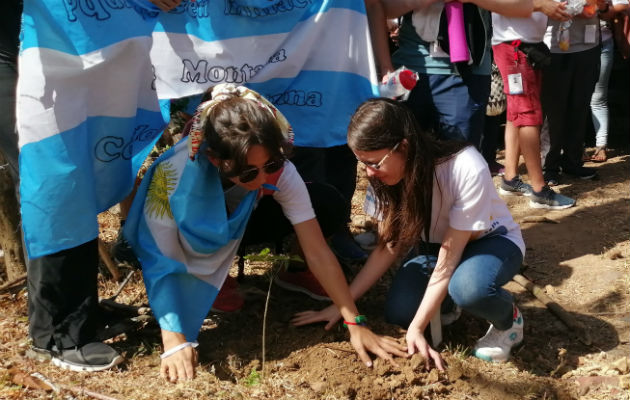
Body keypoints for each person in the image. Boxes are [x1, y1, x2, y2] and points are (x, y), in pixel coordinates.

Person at [124, 84, 407, 383]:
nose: (262, 178)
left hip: (236, 228)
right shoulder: (173, 174)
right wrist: (174, 340)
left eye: (270, 164)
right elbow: (160, 259)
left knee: (325, 200)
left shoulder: (278, 170)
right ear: (215, 159)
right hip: (174, 239)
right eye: (248, 172)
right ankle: (209, 280)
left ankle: (277, 275)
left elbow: (317, 250)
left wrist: (354, 321)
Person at [294, 98, 526, 368]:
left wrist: (417, 328)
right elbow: (387, 247)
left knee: (469, 288)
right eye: (362, 162)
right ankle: (449, 302)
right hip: (433, 248)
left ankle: (508, 320)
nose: (369, 173)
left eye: (375, 162)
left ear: (403, 146)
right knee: (399, 313)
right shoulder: (383, 177)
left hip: (491, 242)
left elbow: (448, 259)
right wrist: (343, 305)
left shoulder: (464, 167)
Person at [382, 0, 533, 149]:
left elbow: (523, 6)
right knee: (404, 157)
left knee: (459, 160)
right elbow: (378, 8)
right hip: (409, 71)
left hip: (468, 75)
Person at [492, 0, 576, 209]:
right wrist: (540, 5)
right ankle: (539, 190)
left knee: (516, 113)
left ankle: (510, 178)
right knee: (528, 115)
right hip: (514, 47)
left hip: (527, 47)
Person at [541, 0, 608, 184]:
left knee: (580, 107)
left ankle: (572, 162)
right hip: (553, 49)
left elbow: (604, 9)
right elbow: (541, 7)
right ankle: (549, 166)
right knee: (554, 111)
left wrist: (596, 5)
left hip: (588, 47)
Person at [589, 0, 630, 162]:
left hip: (602, 43)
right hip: (567, 46)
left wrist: (603, 9)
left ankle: (601, 145)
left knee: (598, 97)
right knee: (574, 98)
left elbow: (623, 4)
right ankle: (574, 148)